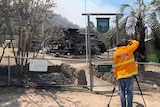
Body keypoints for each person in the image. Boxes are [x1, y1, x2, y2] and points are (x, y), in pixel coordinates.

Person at [113, 38, 139, 107]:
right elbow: (136, 43)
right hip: (129, 75)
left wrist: (116, 76)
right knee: (129, 91)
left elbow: (115, 66)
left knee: (122, 91)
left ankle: (123, 106)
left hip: (120, 76)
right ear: (126, 44)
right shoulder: (129, 49)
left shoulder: (116, 53)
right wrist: (131, 40)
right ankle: (130, 106)